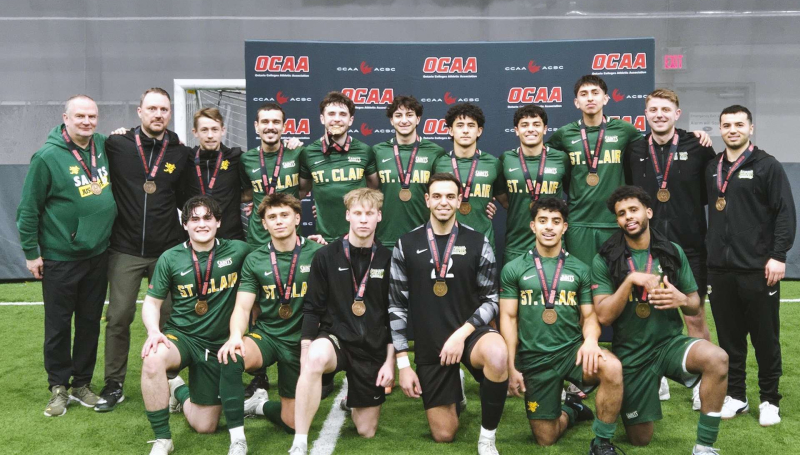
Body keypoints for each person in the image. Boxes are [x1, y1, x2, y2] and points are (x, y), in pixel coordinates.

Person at [592, 186, 729, 454]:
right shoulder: (605, 258)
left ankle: (704, 447)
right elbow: (604, 316)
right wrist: (630, 280)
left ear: (648, 212)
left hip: (669, 344)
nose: (628, 217)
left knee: (718, 358)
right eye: (622, 213)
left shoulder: (671, 251)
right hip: (632, 354)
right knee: (640, 438)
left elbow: (693, 305)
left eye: (634, 210)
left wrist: (681, 299)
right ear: (617, 221)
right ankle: (642, 393)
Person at [389, 173, 508, 454]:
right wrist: (403, 364)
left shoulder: (478, 241)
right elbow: (396, 306)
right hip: (431, 343)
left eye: (450, 196)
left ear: (458, 201)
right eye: (437, 196)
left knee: (497, 354)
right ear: (427, 200)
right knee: (444, 434)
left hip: (471, 333)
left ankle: (487, 438)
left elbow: (492, 300)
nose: (444, 202)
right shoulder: (406, 244)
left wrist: (461, 334)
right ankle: (456, 386)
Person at [16, 94, 117, 416]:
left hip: (98, 254)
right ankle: (58, 387)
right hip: (61, 258)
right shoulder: (47, 157)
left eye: (92, 116)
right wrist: (31, 253)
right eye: (80, 116)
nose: (87, 121)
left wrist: (122, 133)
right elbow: (28, 210)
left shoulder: (102, 145)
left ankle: (82, 384)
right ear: (66, 118)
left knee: (89, 323)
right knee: (58, 327)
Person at [499, 197, 623, 453]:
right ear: (533, 226)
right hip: (534, 358)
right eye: (543, 221)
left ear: (564, 227)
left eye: (556, 222)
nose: (549, 227)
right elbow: (509, 319)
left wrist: (591, 341)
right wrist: (511, 366)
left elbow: (589, 316)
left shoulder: (580, 269)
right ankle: (573, 408)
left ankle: (602, 442)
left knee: (612, 367)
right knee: (546, 438)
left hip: (571, 353)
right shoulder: (513, 269)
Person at [97, 87, 194, 412]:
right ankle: (114, 384)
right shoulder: (117, 145)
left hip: (166, 251)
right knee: (118, 316)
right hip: (124, 248)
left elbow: (186, 199)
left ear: (170, 113)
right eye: (152, 108)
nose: (158, 114)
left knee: (170, 316)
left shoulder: (180, 152)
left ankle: (170, 378)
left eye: (163, 109)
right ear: (139, 111)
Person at [625, 89, 717, 407]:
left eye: (666, 109)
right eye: (653, 109)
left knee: (694, 315)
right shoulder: (635, 148)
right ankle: (658, 378)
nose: (659, 114)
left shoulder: (698, 146)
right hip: (646, 248)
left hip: (689, 247)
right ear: (645, 114)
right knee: (648, 316)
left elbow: (711, 191)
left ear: (677, 114)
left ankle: (701, 385)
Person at [705, 105, 796, 426]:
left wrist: (778, 255)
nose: (733, 130)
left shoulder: (768, 166)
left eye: (739, 124)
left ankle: (770, 399)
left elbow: (785, 212)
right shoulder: (712, 166)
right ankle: (737, 396)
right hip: (720, 269)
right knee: (729, 340)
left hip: (759, 269)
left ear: (750, 128)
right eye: (727, 125)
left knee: (765, 339)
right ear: (720, 129)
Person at [140, 196, 251, 455]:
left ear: (218, 222)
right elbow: (152, 303)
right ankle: (162, 439)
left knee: (205, 426)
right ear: (185, 225)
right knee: (152, 358)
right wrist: (154, 331)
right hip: (182, 338)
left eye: (208, 218)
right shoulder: (170, 257)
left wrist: (311, 244)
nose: (202, 224)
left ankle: (178, 389)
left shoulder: (239, 250)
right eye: (195, 219)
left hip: (218, 345)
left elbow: (274, 253)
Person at [215, 193, 322, 454]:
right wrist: (235, 336)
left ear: (297, 218)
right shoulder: (255, 259)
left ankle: (260, 406)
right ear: (264, 224)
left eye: (285, 215)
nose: (279, 221)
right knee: (232, 356)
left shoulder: (318, 253)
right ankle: (237, 440)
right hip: (268, 336)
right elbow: (242, 307)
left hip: (302, 341)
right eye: (272, 217)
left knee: (292, 423)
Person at [290, 188, 394, 455]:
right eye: (357, 213)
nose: (363, 219)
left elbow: (394, 314)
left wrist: (390, 360)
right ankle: (299, 441)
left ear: (379, 216)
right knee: (315, 358)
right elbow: (312, 308)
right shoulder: (326, 256)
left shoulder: (388, 259)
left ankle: (353, 401)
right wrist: (305, 350)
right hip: (336, 339)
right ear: (347, 215)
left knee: (366, 430)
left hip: (371, 347)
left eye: (369, 213)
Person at [299, 91, 379, 242]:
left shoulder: (365, 151)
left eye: (343, 114)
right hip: (324, 239)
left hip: (360, 238)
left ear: (351, 120)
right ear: (322, 118)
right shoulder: (308, 153)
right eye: (331, 114)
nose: (337, 119)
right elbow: (300, 192)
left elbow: (374, 191)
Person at [499, 104, 570, 264]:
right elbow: (503, 198)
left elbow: (572, 189)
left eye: (536, 124)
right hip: (516, 245)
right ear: (516, 130)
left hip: (553, 245)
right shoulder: (506, 159)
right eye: (524, 125)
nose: (530, 129)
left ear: (545, 129)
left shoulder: (561, 158)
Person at [373, 95, 446, 248]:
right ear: (391, 120)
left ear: (418, 119)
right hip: (384, 238)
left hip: (424, 239)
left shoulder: (435, 152)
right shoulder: (377, 151)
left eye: (409, 115)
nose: (404, 120)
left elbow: (446, 190)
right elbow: (366, 188)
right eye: (398, 115)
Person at [432, 103, 506, 246]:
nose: (465, 130)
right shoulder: (438, 163)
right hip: (446, 243)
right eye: (460, 125)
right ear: (450, 130)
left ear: (479, 131)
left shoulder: (494, 163)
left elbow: (506, 201)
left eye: (471, 125)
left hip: (483, 242)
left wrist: (487, 205)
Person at [181, 107, 245, 241]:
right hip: (195, 239)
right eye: (204, 130)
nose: (210, 135)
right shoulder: (185, 157)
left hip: (230, 239)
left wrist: (289, 145)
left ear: (223, 130)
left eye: (215, 129)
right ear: (195, 132)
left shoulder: (236, 157)